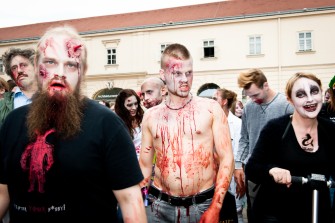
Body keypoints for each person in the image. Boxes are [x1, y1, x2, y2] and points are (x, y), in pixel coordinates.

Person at [0, 25, 147, 223]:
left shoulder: (108, 125)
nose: (59, 73)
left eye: (70, 64)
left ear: (82, 71)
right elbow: (2, 194)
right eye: (50, 62)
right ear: (36, 65)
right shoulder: (12, 122)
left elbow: (132, 205)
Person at [139, 43, 234, 223]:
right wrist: (137, 205)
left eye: (189, 73)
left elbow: (226, 158)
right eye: (177, 73)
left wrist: (216, 206)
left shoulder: (211, 109)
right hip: (158, 207)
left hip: (203, 205)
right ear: (163, 75)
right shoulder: (151, 116)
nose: (184, 79)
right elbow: (144, 166)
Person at [245, 72, 335, 223]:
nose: (310, 99)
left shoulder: (330, 130)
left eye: (314, 91)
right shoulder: (275, 128)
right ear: (290, 100)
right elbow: (252, 168)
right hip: (276, 214)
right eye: (301, 95)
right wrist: (271, 170)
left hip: (317, 212)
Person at [234, 68, 294, 223]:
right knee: (254, 214)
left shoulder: (286, 105)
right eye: (249, 96)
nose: (253, 99)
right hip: (254, 172)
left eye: (255, 95)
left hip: (281, 174)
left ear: (265, 85)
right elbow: (244, 139)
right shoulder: (248, 107)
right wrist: (238, 165)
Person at [213, 88, 246, 223]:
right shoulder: (211, 122)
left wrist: (239, 177)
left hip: (233, 177)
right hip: (215, 176)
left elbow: (239, 151)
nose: (212, 102)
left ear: (224, 101)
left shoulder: (237, 124)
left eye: (215, 99)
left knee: (236, 212)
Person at [0, 48, 38, 127]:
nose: (19, 70)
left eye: (24, 65)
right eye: (14, 68)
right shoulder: (3, 105)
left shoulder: (54, 97)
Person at [115, 88, 144, 159]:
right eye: (129, 105)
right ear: (121, 106)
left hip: (146, 163)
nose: (134, 107)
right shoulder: (116, 123)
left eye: (136, 104)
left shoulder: (144, 117)